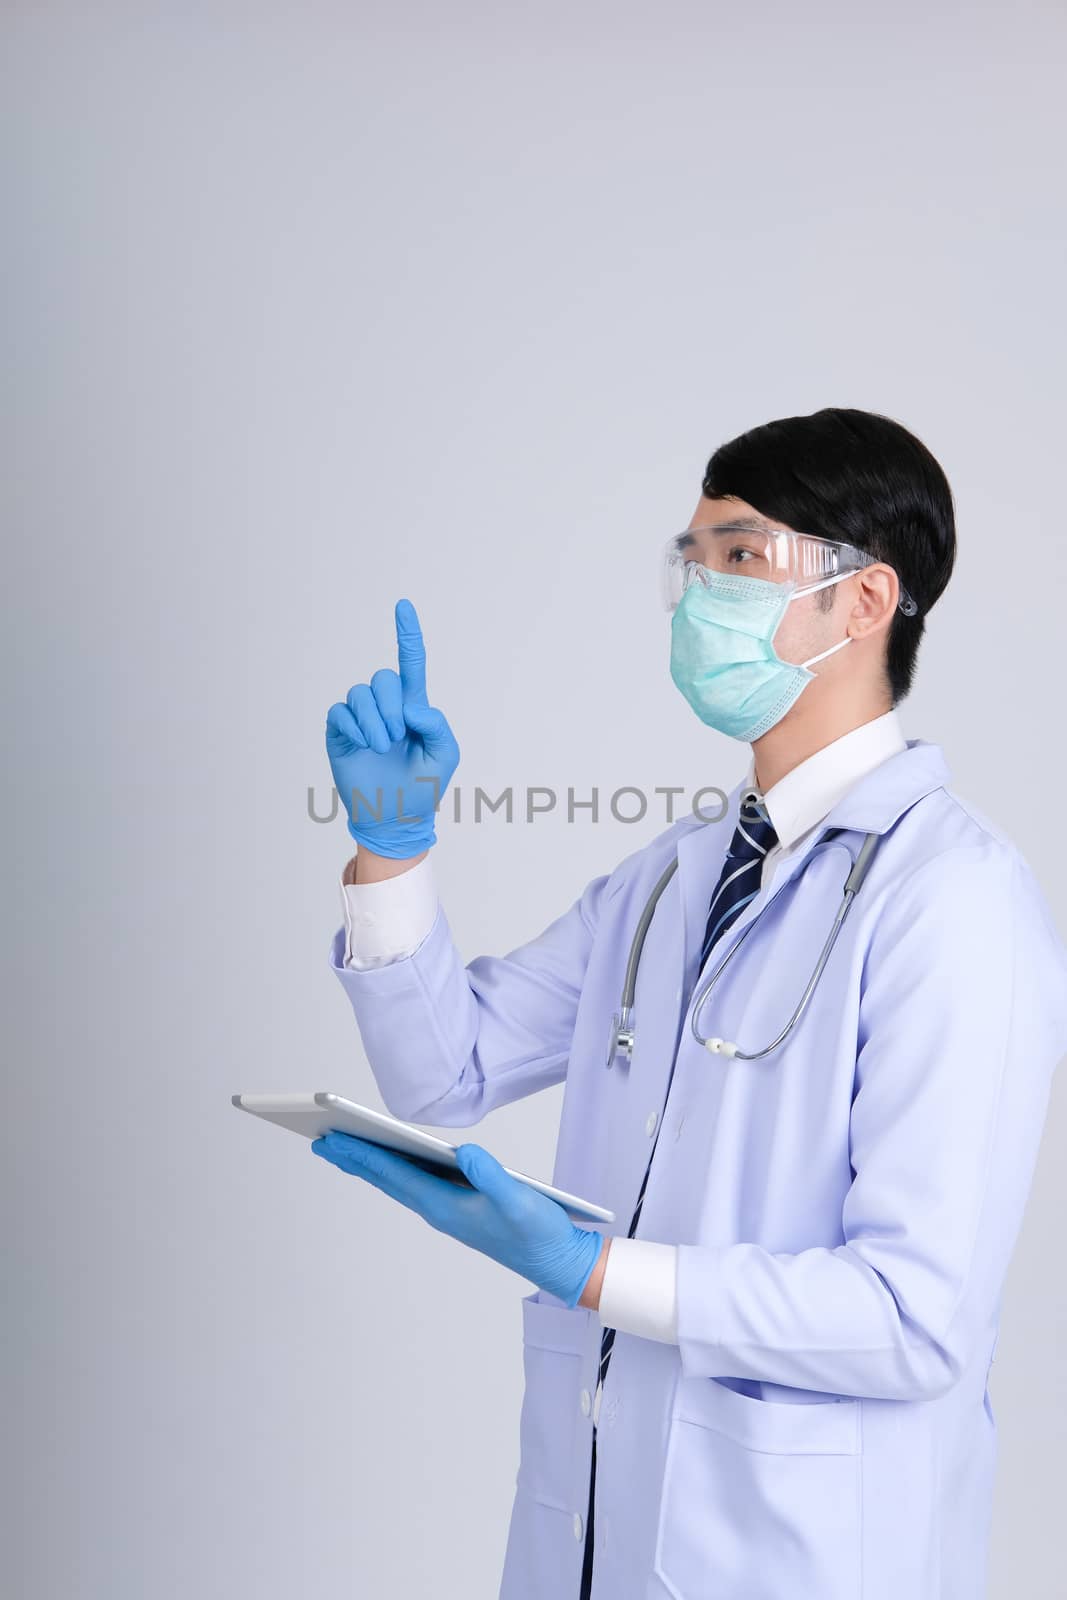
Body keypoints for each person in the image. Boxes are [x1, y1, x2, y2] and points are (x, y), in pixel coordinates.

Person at [311, 406, 1067, 1600]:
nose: (694, 590)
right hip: (589, 1545)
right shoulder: (672, 875)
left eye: (738, 555)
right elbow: (443, 1074)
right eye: (691, 556)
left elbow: (914, 1316)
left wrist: (599, 1271)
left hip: (807, 1557)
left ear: (862, 603)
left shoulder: (955, 899)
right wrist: (393, 851)